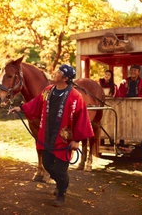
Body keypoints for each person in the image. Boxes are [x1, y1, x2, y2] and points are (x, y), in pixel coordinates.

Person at [8, 64, 94, 207]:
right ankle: (61, 182)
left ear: (65, 78)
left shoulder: (75, 97)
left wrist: (77, 140)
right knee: (47, 164)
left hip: (63, 139)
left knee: (61, 169)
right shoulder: (47, 91)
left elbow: (82, 118)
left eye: (59, 72)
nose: (54, 73)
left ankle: (61, 192)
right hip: (46, 136)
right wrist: (21, 108)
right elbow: (35, 104)